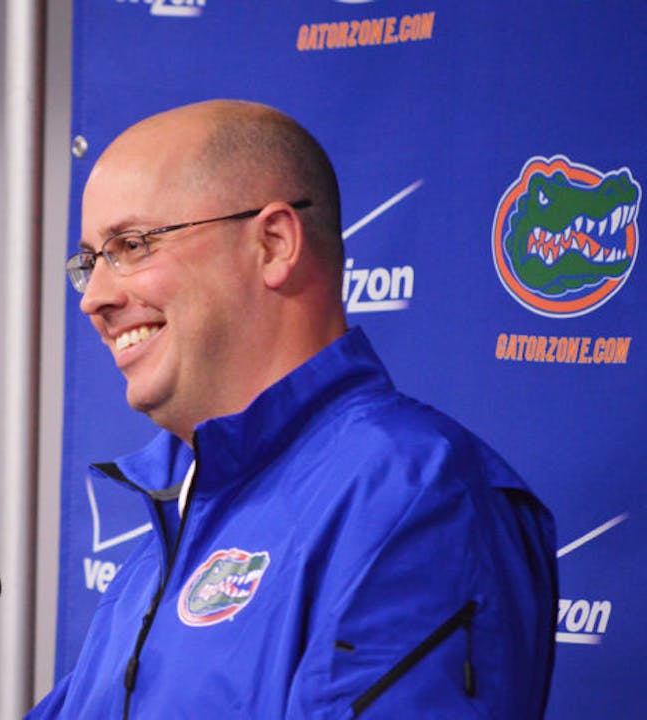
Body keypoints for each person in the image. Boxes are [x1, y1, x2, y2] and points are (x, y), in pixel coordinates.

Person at [29, 100, 557, 719]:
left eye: (133, 244)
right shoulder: (179, 523)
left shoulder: (417, 496)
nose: (94, 298)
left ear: (274, 244)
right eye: (90, 261)